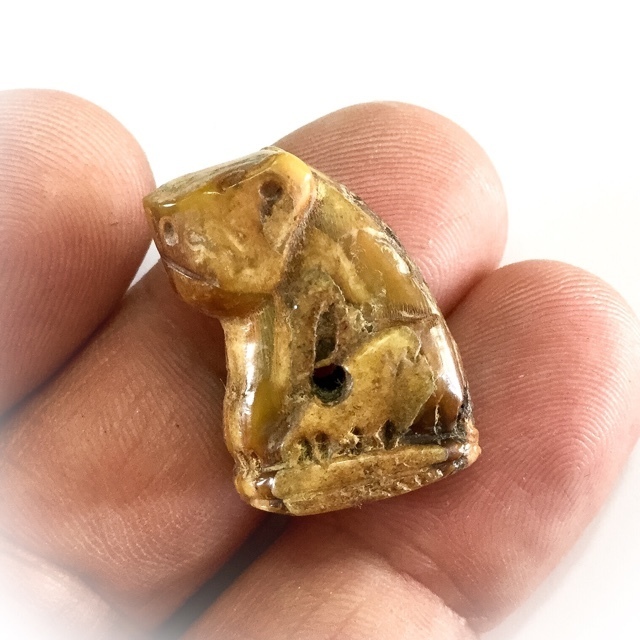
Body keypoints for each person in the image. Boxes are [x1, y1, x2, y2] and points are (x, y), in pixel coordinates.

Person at [1, 89, 638, 639]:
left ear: (276, 204)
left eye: (193, 239)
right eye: (171, 238)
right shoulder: (278, 308)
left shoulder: (329, 280)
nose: (177, 252)